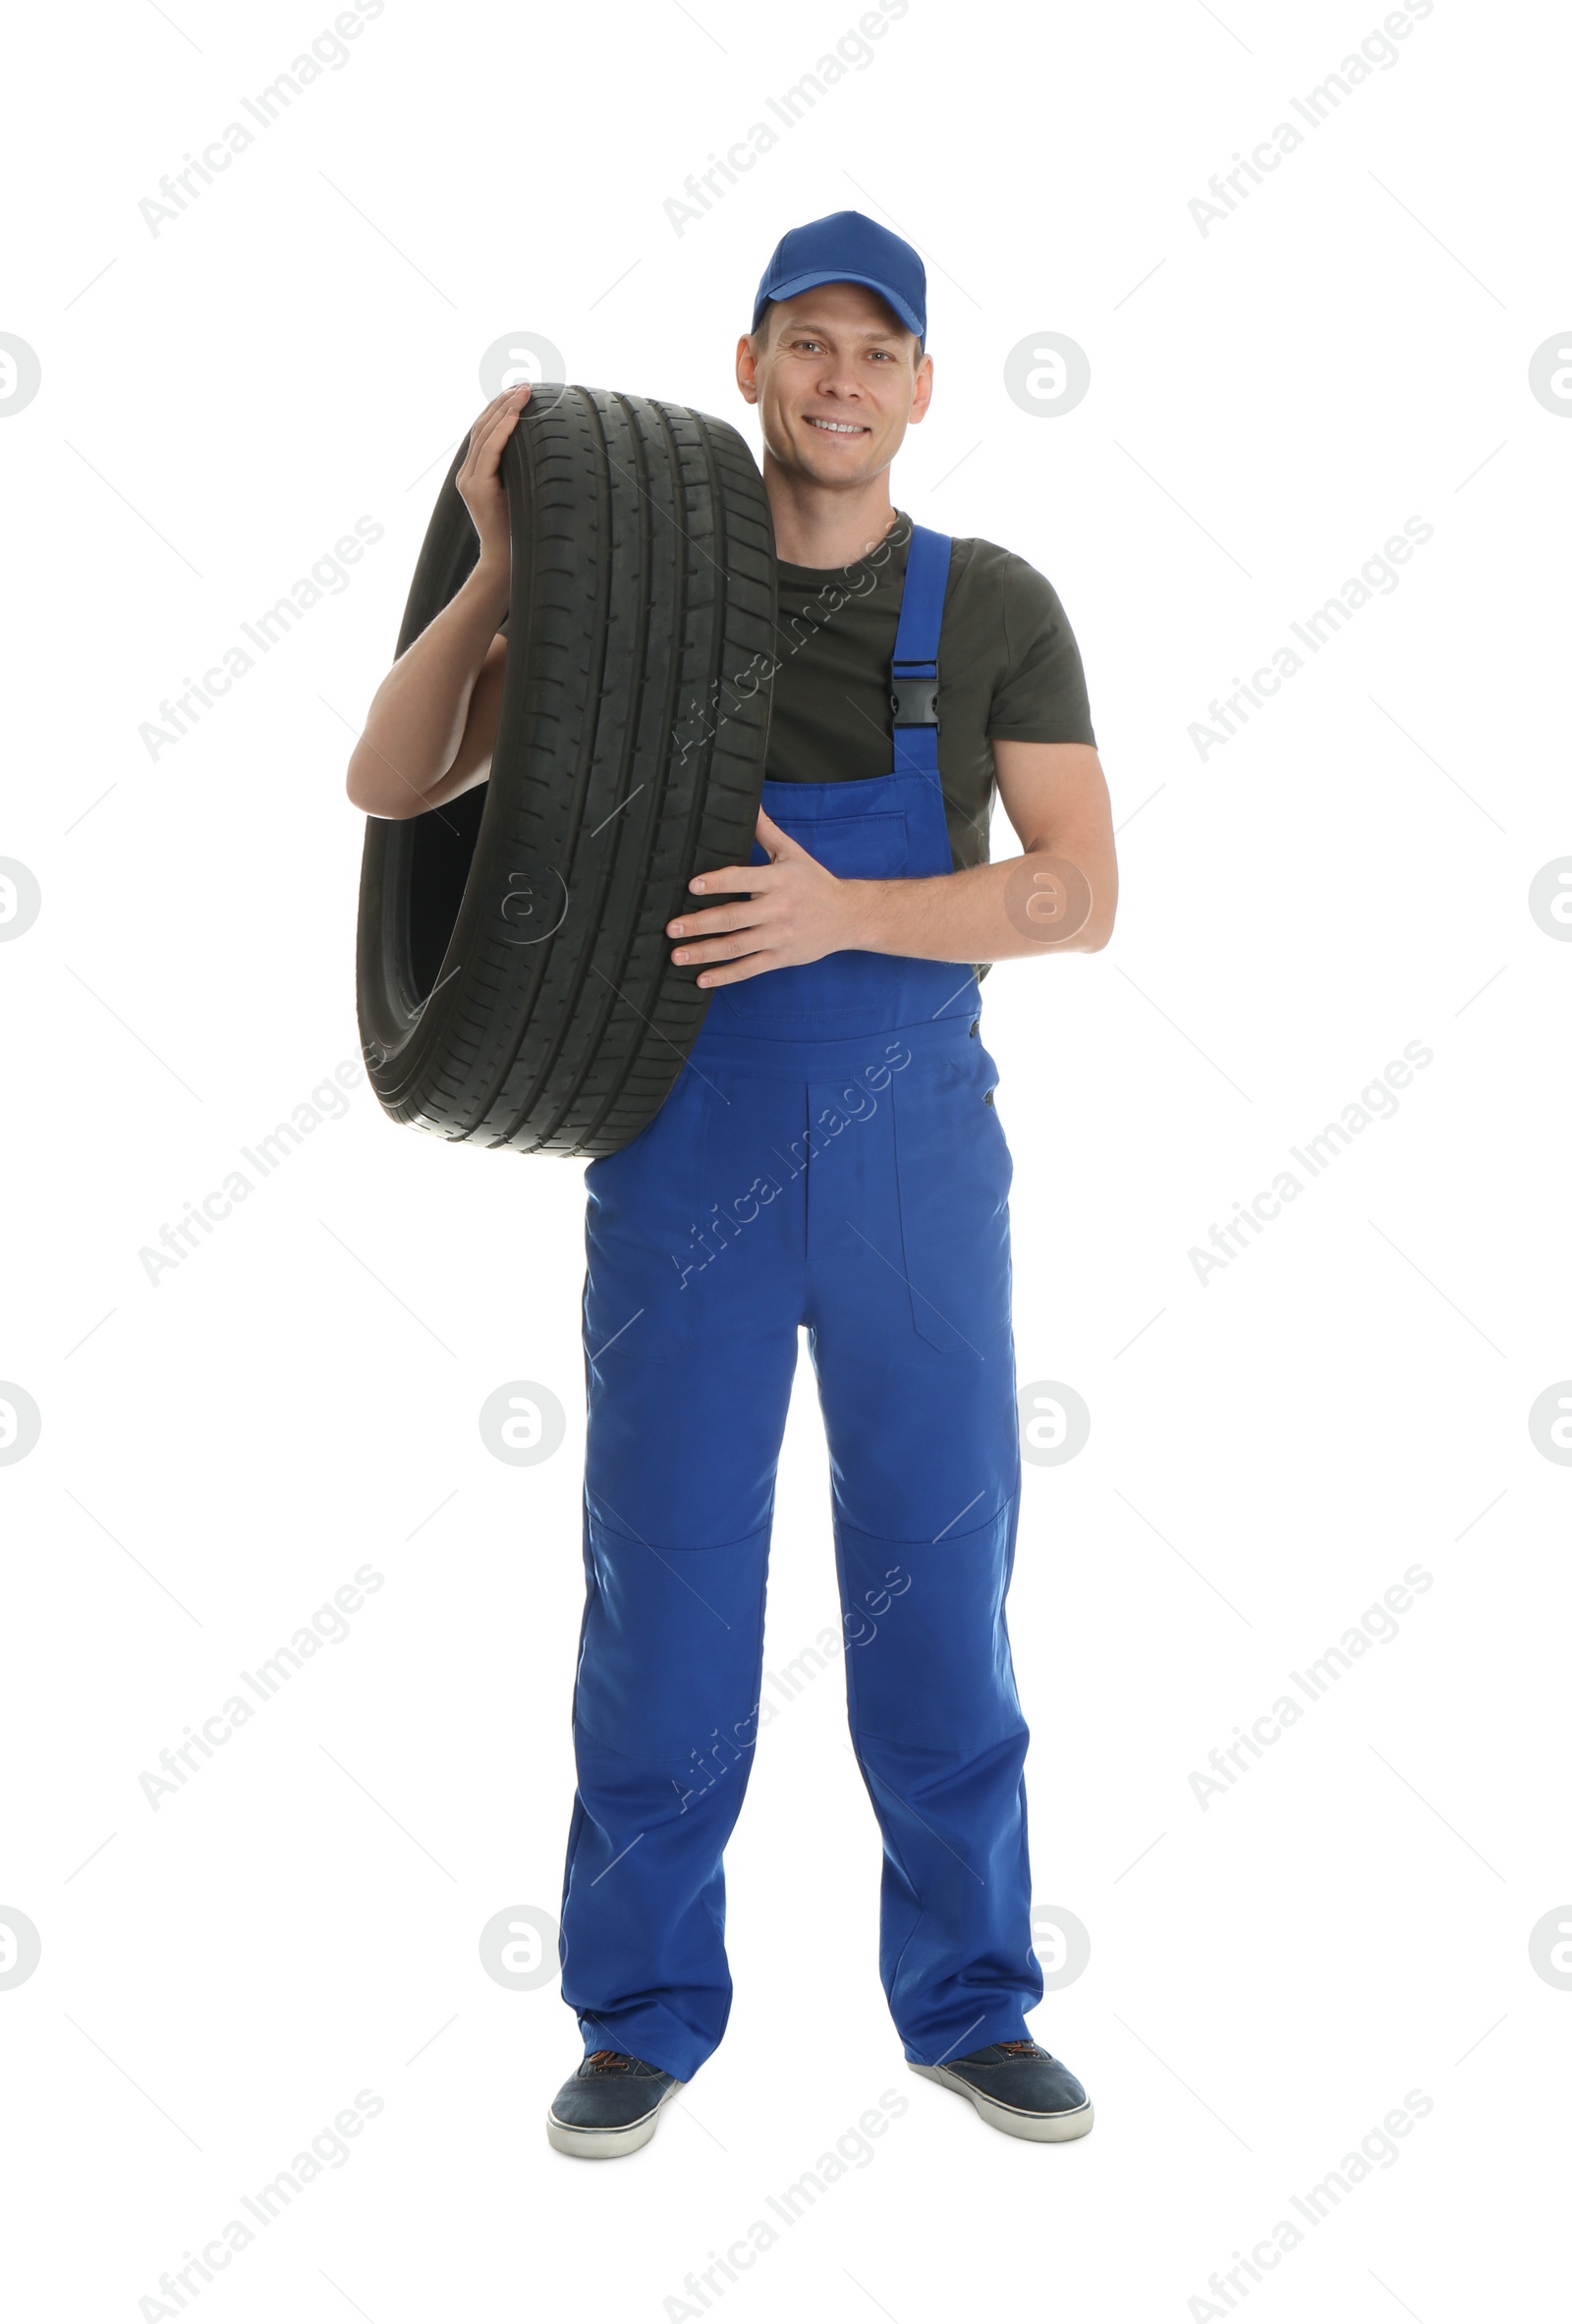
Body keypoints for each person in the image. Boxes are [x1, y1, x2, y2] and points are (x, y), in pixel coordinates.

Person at [346, 210, 1118, 2159]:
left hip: (911, 1173)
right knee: (666, 1604)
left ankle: (970, 2001)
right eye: (807, 344)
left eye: (878, 350)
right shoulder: (631, 617)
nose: (841, 379)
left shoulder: (994, 604)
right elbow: (386, 779)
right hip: (678, 1147)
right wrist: (507, 562)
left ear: (920, 385)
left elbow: (1075, 893)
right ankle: (637, 2018)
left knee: (939, 1594)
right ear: (749, 366)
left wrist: (845, 905)